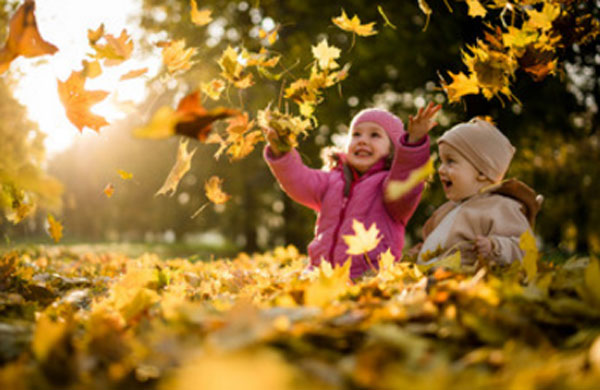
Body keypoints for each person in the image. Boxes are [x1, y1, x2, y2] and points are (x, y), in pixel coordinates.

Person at [263, 103, 441, 279]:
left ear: (392, 150)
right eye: (356, 134)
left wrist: (413, 144)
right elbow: (299, 180)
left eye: (374, 135)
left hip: (368, 277)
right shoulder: (331, 180)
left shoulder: (389, 187)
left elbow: (406, 182)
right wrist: (282, 152)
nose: (362, 140)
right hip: (320, 274)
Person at [416, 118, 542, 266]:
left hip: (468, 282)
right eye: (442, 162)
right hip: (433, 280)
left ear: (482, 172)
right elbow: (438, 243)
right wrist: (420, 252)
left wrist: (495, 247)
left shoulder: (501, 207)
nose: (441, 169)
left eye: (450, 161)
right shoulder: (447, 210)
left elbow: (524, 247)